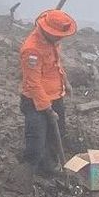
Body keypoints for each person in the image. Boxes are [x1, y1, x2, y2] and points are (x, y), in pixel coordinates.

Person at [19, 9, 78, 176]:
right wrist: (47, 109)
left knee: (57, 133)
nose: (61, 38)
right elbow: (33, 84)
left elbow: (55, 65)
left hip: (55, 96)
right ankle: (31, 170)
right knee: (37, 139)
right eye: (58, 35)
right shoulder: (32, 50)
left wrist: (65, 82)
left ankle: (50, 167)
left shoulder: (52, 42)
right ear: (47, 30)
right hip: (35, 102)